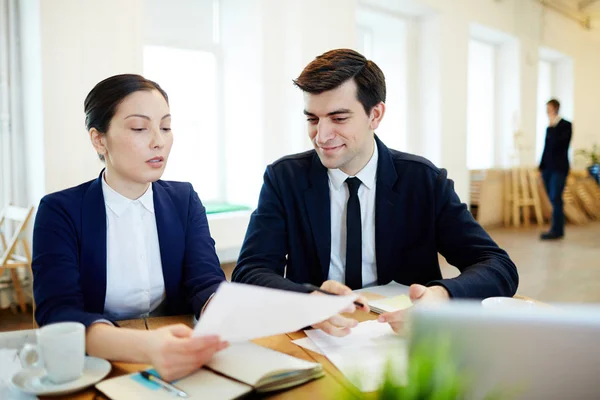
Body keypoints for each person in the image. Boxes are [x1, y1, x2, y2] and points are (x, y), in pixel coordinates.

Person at [233, 49, 518, 335]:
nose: (321, 136)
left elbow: (497, 265)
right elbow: (249, 271)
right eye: (312, 119)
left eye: (339, 118)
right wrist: (308, 300)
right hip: (318, 336)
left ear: (375, 114)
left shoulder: (423, 180)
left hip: (403, 337)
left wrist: (441, 297)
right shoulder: (284, 179)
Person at [32, 74, 228, 380]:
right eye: (139, 128)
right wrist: (145, 346)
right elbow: (58, 313)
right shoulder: (60, 210)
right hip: (98, 363)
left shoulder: (184, 199)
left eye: (165, 127)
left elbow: (205, 282)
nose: (158, 141)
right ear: (99, 139)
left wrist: (225, 316)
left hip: (179, 356)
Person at [539, 98, 572, 240]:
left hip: (559, 168)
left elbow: (559, 145)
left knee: (556, 197)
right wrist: (541, 166)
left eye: (549, 108)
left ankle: (556, 230)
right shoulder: (548, 127)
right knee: (552, 199)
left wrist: (553, 127)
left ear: (555, 108)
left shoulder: (566, 125)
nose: (547, 112)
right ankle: (556, 229)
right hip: (548, 169)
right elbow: (546, 149)